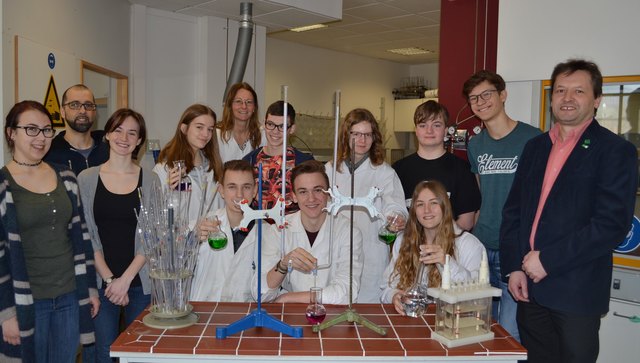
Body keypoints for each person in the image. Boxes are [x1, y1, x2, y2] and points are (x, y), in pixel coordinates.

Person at [500, 59, 637, 363]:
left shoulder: (615, 151)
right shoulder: (535, 147)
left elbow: (610, 225)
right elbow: (514, 213)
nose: (567, 98)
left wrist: (547, 260)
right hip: (529, 289)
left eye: (578, 91)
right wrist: (514, 267)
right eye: (560, 90)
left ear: (597, 100)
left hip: (577, 291)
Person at [0, 101, 99, 362]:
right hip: (26, 301)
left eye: (46, 130)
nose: (40, 137)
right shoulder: (3, 184)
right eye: (31, 129)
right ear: (11, 132)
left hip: (68, 295)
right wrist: (6, 313)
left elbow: (82, 239)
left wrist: (89, 289)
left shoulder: (66, 177)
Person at [462, 70, 541, 340]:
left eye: (487, 94)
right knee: (480, 326)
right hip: (482, 244)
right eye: (474, 98)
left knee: (510, 331)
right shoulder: (475, 144)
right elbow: (480, 192)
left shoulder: (534, 139)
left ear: (503, 95)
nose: (480, 102)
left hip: (516, 247)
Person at [77, 108, 158, 363]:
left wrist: (125, 280)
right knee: (104, 353)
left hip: (140, 283)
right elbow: (86, 233)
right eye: (118, 130)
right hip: (102, 284)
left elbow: (152, 235)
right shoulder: (87, 178)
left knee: (139, 353)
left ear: (140, 140)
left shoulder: (151, 180)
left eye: (132, 133)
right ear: (108, 134)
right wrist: (111, 280)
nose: (124, 138)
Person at [325, 108, 407, 303]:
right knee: (337, 303)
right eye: (356, 134)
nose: (362, 140)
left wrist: (395, 219)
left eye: (367, 134)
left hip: (372, 250)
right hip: (337, 249)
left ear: (374, 138)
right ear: (346, 135)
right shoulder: (330, 169)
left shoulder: (384, 172)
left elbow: (395, 205)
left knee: (369, 310)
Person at [254, 160, 363, 304]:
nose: (311, 198)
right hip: (290, 316)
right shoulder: (279, 230)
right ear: (293, 196)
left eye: (317, 190)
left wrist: (287, 298)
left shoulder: (348, 231)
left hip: (332, 317)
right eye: (303, 191)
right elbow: (260, 293)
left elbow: (347, 293)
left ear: (329, 193)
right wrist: (283, 265)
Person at [381, 180, 485, 315]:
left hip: (453, 324)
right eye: (420, 204)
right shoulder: (403, 240)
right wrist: (394, 296)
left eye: (433, 203)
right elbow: (386, 287)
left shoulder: (469, 244)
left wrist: (447, 263)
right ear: (414, 211)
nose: (427, 210)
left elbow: (477, 296)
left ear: (444, 207)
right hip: (412, 321)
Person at [392, 100, 480, 231]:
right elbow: (393, 215)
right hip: (409, 247)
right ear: (415, 130)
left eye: (436, 125)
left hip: (449, 248)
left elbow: (467, 222)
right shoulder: (398, 170)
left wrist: (437, 243)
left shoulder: (462, 169)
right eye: (423, 125)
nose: (429, 131)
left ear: (445, 131)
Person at [190, 160, 259, 301]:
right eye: (232, 187)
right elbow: (174, 260)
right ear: (221, 190)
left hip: (245, 313)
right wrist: (192, 240)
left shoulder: (266, 232)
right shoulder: (203, 225)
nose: (239, 195)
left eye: (246, 187)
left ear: (255, 190)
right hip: (205, 310)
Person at [153, 104, 224, 225]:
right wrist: (171, 192)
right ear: (184, 129)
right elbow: (159, 217)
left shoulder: (214, 166)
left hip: (212, 240)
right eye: (199, 127)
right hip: (183, 241)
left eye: (210, 129)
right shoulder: (164, 169)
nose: (206, 134)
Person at [243, 100, 314, 213]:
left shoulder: (304, 162)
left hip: (292, 227)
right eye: (270, 124)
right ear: (264, 124)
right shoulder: (250, 160)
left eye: (282, 126)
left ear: (292, 129)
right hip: (259, 227)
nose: (275, 131)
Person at [44, 84, 109, 175]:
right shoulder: (49, 152)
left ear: (94, 112)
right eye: (74, 105)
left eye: (88, 105)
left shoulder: (109, 146)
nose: (83, 111)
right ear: (62, 112)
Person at [216, 82, 264, 162]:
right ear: (230, 106)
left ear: (254, 107)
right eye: (238, 101)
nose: (244, 106)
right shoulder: (217, 135)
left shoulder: (262, 135)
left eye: (249, 102)